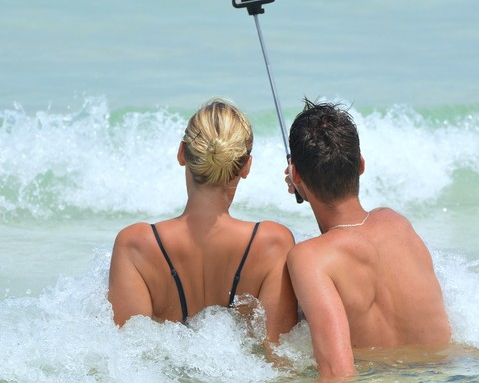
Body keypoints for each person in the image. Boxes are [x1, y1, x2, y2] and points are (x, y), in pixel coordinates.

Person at [108, 98, 297, 347]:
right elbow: (280, 360)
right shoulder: (274, 243)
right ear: (246, 167)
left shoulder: (134, 246)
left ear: (181, 153)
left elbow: (127, 359)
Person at [284, 99, 451, 378]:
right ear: (360, 165)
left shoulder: (310, 259)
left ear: (296, 174)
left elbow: (338, 374)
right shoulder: (397, 224)